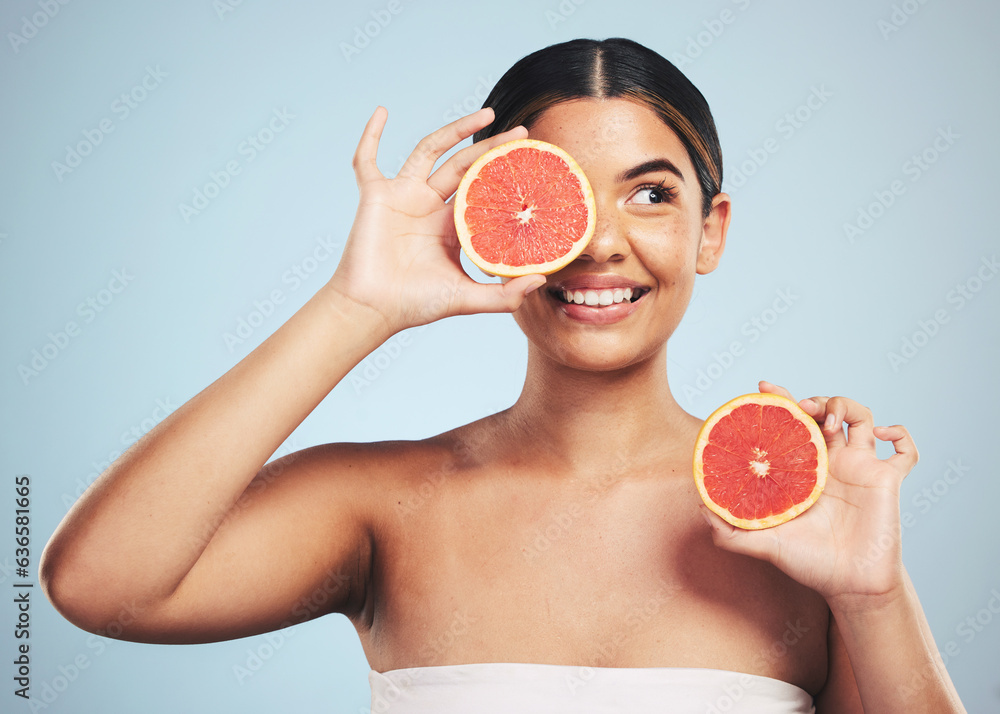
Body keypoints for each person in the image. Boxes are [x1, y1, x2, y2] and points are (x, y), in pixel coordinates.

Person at [40, 38, 966, 712]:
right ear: (487, 211)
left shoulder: (798, 522)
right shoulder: (385, 505)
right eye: (557, 193)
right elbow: (99, 583)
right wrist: (357, 306)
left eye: (651, 193)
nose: (603, 242)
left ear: (711, 229)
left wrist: (871, 596)